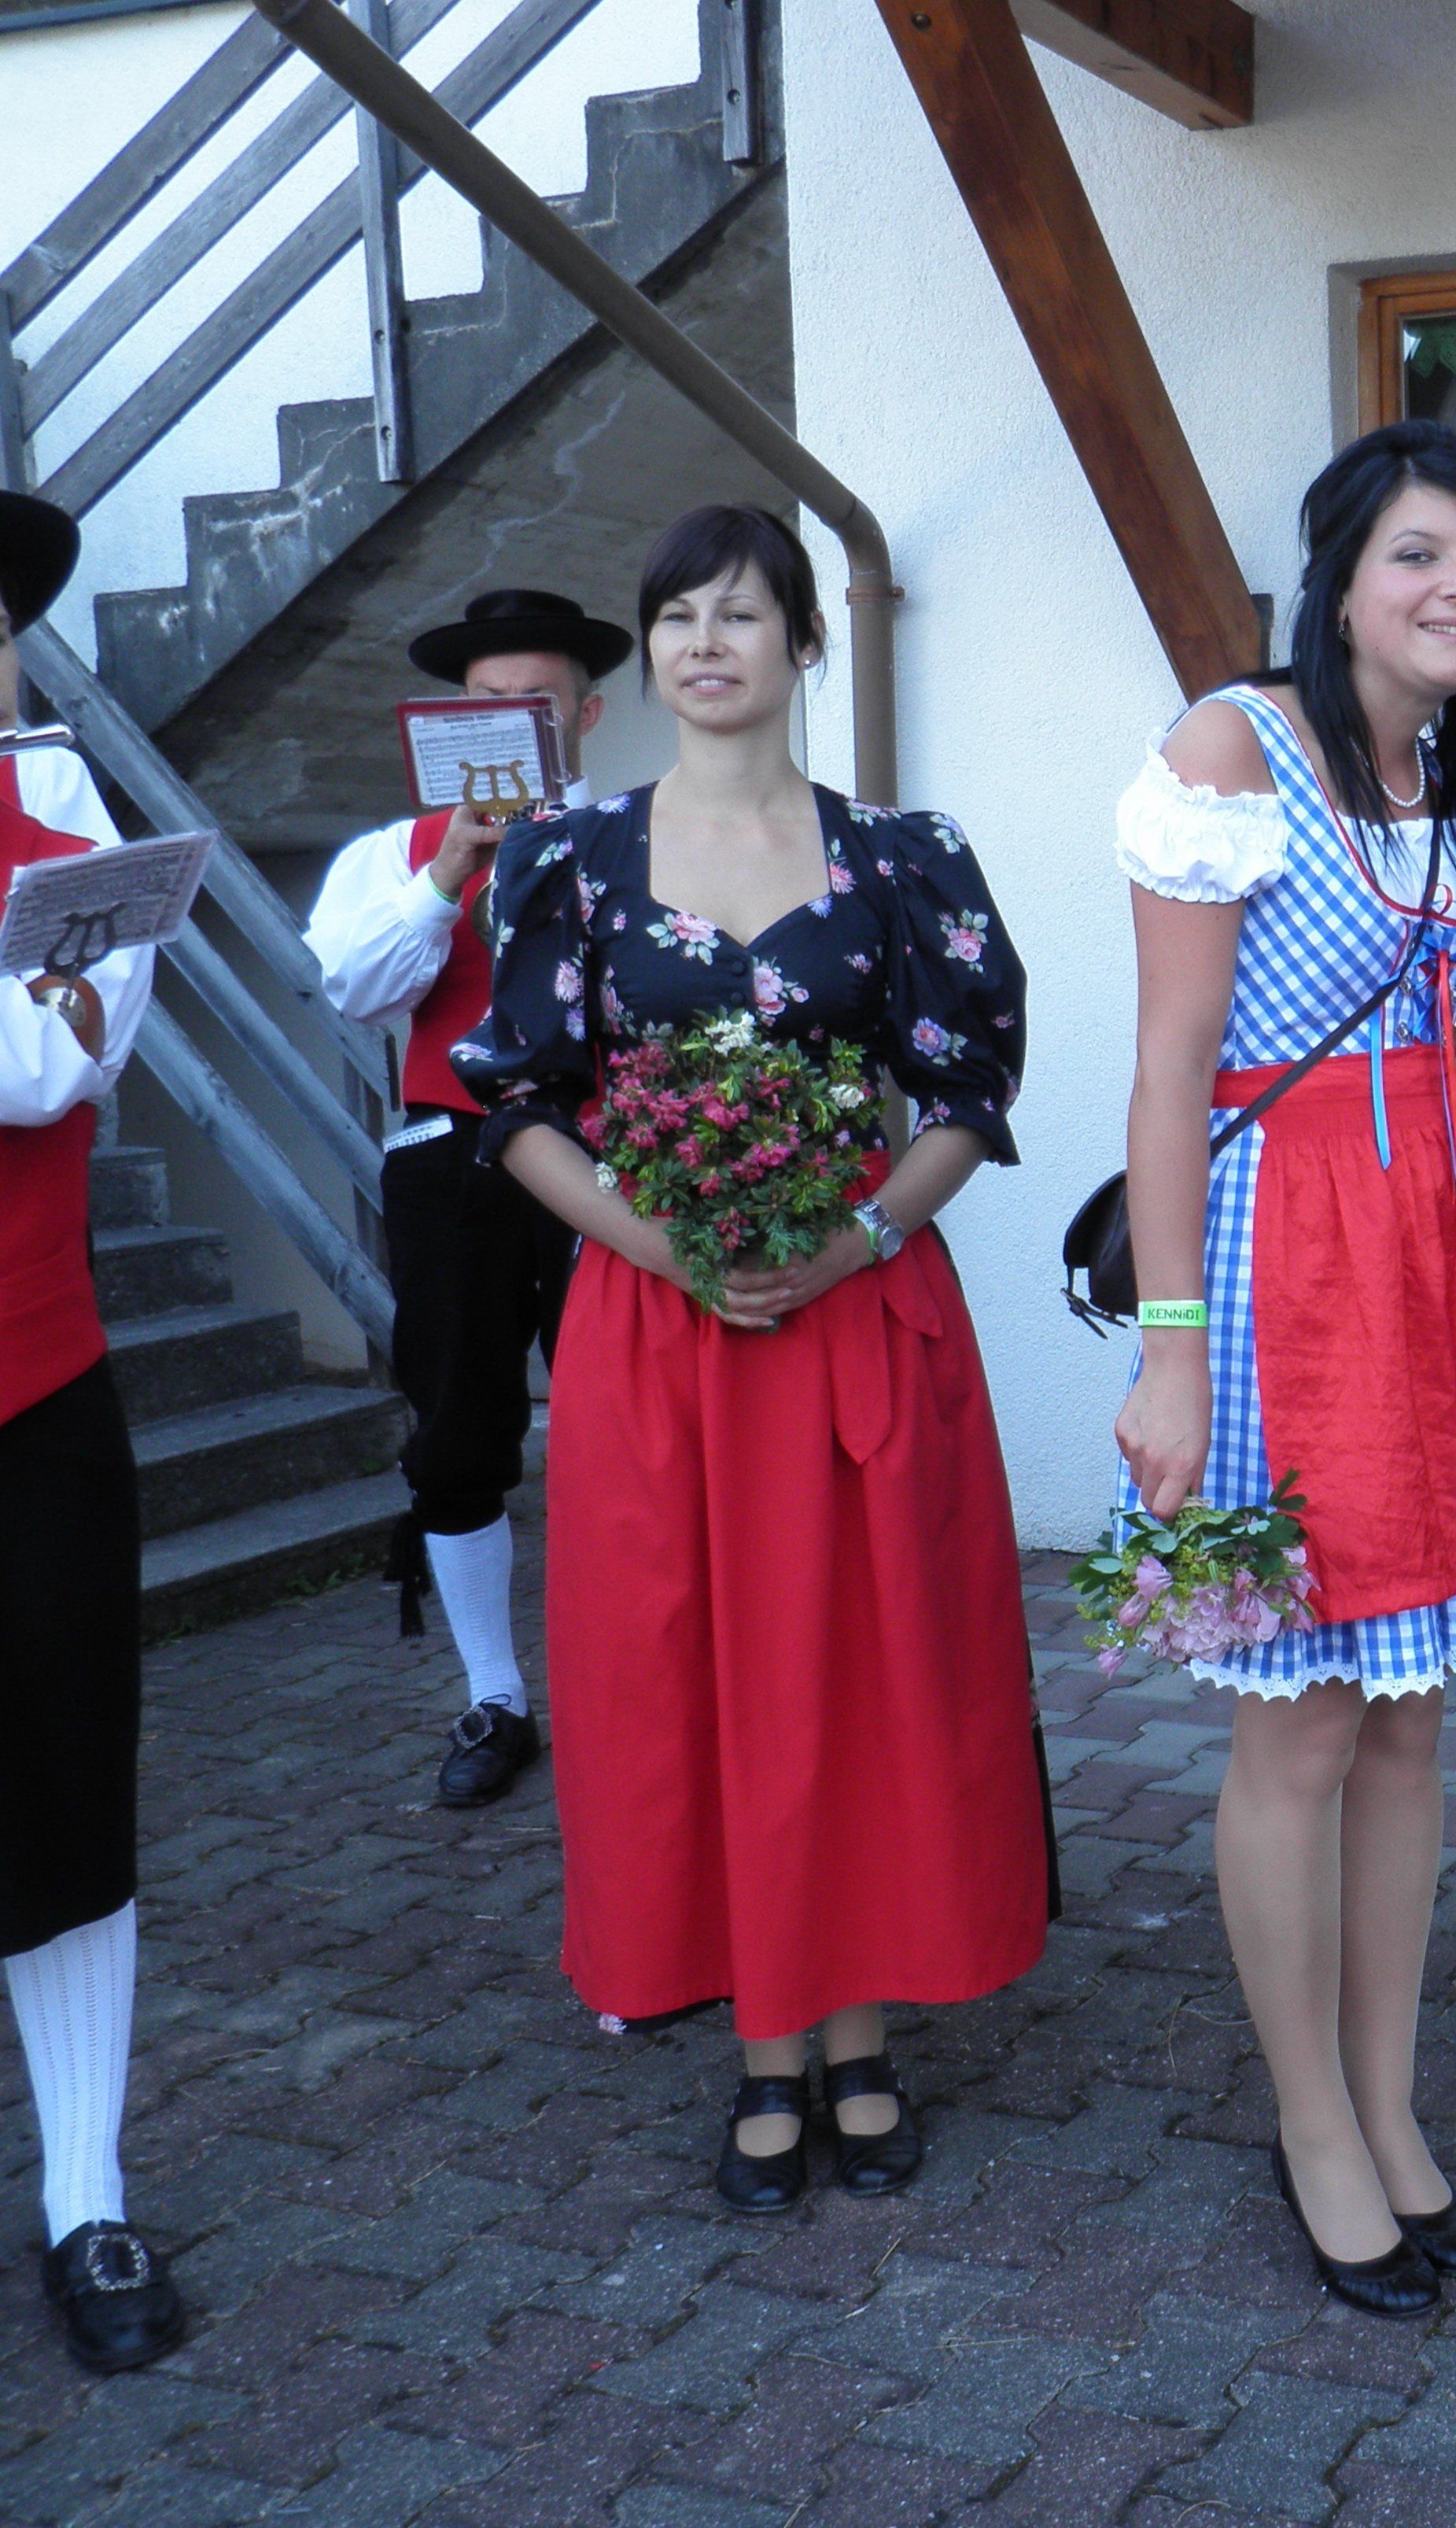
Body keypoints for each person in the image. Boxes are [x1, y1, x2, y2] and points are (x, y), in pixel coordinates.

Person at [453, 505, 1049, 2209]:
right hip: (661, 1327)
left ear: (803, 642)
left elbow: (967, 1094)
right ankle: (764, 2045)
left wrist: (854, 1237)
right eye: (677, 618)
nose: (706, 643)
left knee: (864, 1668)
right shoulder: (566, 854)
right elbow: (514, 1098)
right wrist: (661, 1245)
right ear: (647, 654)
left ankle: (856, 2033)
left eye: (739, 613)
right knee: (685, 1675)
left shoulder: (905, 854)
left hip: (852, 1307)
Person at [1115, 420, 1456, 2317]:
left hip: (1432, 1242)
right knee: (1300, 1719)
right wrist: (1168, 1356)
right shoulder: (1232, 747)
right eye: (1416, 552)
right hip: (1276, 1265)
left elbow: (1430, 1027)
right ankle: (1309, 2123)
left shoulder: (1449, 765)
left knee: (1408, 1714)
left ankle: (1390, 2108)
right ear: (1336, 581)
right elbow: (1172, 1068)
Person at [304, 590, 632, 1808]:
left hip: (609, 1155)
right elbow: (354, 988)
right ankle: (496, 1692)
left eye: (534, 701)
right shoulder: (387, 854)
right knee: (456, 1426)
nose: (509, 719)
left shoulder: (644, 839)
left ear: (583, 716)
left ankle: (639, 1682)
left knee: (631, 1418)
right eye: (485, 703)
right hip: (450, 1156)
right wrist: (451, 865)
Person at [0, 489, 189, 2371]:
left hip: (27, 1388)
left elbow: (42, 1062)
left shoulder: (75, 852)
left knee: (58, 1795)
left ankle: (86, 2193)